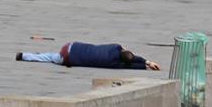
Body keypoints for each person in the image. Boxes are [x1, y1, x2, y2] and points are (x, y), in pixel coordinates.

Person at [16, 41, 161, 70]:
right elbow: (130, 64)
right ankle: (24, 56)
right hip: (67, 58)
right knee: (48, 58)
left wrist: (147, 61)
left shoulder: (114, 47)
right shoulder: (113, 63)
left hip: (72, 45)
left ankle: (24, 55)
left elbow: (128, 54)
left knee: (48, 56)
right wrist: (145, 65)